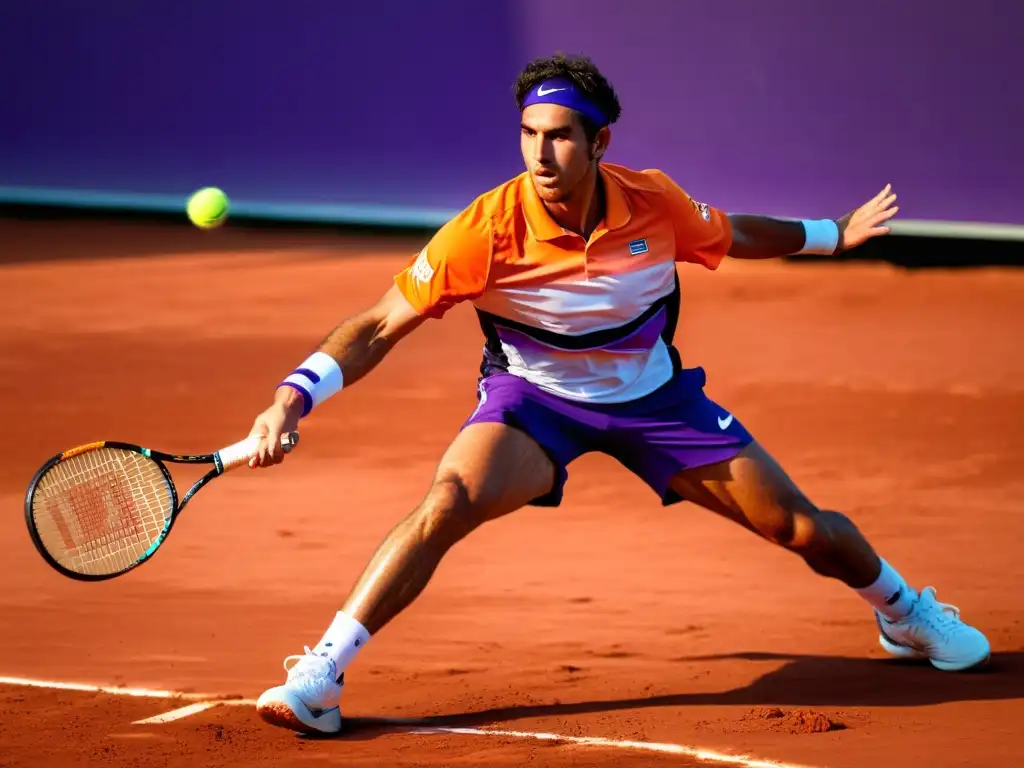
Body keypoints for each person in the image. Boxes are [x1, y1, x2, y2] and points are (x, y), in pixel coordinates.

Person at [247, 53, 990, 735]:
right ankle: (323, 673)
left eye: (562, 136)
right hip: (534, 403)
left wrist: (833, 233)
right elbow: (379, 325)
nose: (542, 153)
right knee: (448, 500)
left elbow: (734, 235)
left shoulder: (655, 203)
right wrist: (292, 396)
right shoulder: (484, 230)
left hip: (657, 402)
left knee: (803, 530)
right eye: (529, 133)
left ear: (600, 143)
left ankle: (904, 613)